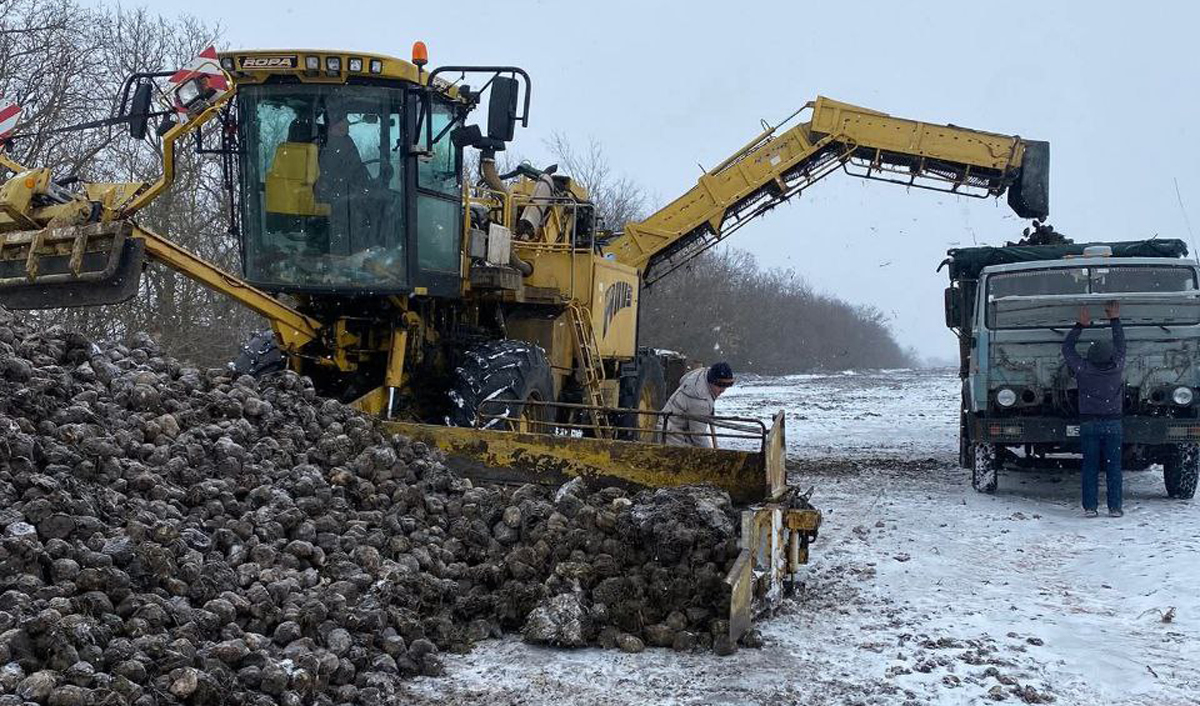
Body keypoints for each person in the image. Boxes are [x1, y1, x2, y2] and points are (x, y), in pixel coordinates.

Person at [1062, 301, 1126, 517]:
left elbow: (1067, 349)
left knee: (1090, 466)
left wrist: (1080, 325)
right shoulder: (1117, 367)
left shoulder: (1083, 369)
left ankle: (1090, 507)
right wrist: (1114, 319)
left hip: (1089, 423)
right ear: (1110, 356)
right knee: (1113, 467)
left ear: (1090, 356)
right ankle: (1115, 508)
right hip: (1113, 423)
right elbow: (1121, 345)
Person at [316, 106, 370, 254]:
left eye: (346, 119)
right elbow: (334, 176)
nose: (347, 123)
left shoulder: (343, 142)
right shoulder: (330, 145)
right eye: (343, 119)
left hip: (345, 196)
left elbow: (357, 170)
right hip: (340, 200)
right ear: (333, 124)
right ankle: (349, 256)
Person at [661, 362, 734, 448]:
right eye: (720, 385)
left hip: (669, 427)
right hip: (671, 436)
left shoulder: (701, 375)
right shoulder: (700, 400)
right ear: (711, 381)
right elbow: (698, 436)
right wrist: (711, 453)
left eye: (726, 385)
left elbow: (683, 379)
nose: (723, 390)